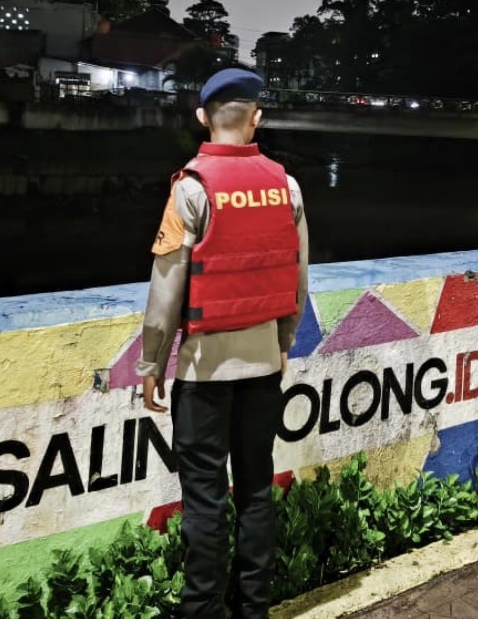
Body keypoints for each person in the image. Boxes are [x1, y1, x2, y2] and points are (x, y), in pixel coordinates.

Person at [137, 68, 309, 619]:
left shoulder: (191, 188)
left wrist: (151, 364)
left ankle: (201, 611)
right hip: (264, 369)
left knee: (206, 499)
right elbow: (298, 277)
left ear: (202, 118)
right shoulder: (286, 184)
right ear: (257, 117)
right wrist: (284, 342)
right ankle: (252, 608)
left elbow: (166, 291)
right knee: (256, 488)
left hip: (204, 372)